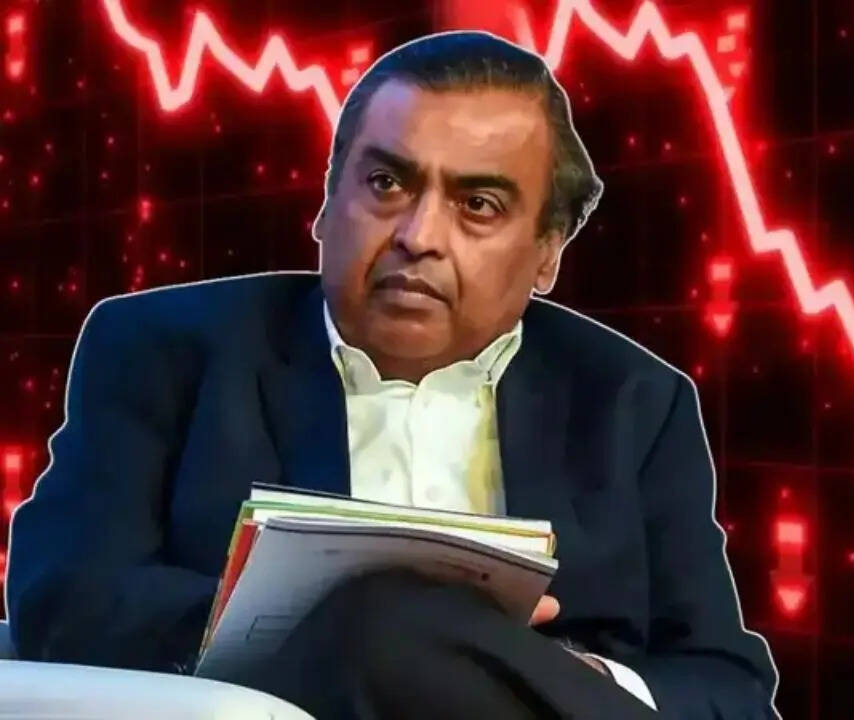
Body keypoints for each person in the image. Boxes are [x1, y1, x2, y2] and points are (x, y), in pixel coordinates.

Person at [4, 31, 777, 720]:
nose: (418, 235)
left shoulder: (633, 402)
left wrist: (556, 677)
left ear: (547, 255)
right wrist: (330, 627)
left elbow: (726, 686)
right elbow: (62, 595)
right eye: (386, 185)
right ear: (325, 204)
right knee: (378, 619)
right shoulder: (164, 350)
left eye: (479, 204)